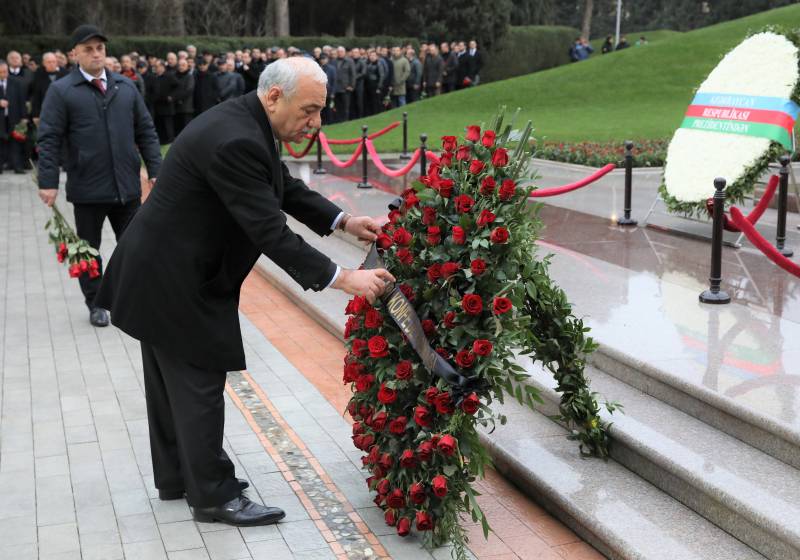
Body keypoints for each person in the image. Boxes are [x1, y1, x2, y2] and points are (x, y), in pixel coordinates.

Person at [94, 56, 394, 526]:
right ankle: (214, 496)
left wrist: (343, 221)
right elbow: (270, 231)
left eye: (320, 110)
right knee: (198, 384)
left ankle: (178, 477)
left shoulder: (246, 121)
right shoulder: (237, 138)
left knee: (172, 385)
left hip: (160, 271)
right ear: (275, 97)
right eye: (310, 110)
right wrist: (343, 278)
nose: (316, 122)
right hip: (174, 280)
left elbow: (279, 185)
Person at [36, 24, 161, 327]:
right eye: (88, 49)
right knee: (88, 251)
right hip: (88, 188)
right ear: (74, 54)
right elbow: (49, 138)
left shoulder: (125, 87)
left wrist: (156, 170)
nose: (96, 54)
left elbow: (146, 130)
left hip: (126, 187)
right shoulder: (62, 91)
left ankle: (130, 298)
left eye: (100, 48)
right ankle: (96, 303)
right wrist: (48, 182)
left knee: (135, 247)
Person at [0, 61, 28, 174]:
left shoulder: (16, 82)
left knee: (16, 141)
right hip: (1, 119)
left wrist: (24, 117)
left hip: (15, 117)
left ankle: (17, 166)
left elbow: (22, 100)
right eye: (1, 72)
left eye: (5, 71)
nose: (4, 74)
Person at [30, 52, 68, 125]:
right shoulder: (38, 74)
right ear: (44, 63)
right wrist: (35, 114)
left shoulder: (65, 73)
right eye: (49, 62)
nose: (52, 64)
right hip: (45, 111)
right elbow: (36, 96)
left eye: (53, 62)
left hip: (63, 111)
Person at [153, 60, 178, 144]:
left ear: (162, 67)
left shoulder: (169, 76)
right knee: (160, 125)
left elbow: (177, 87)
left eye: (157, 66)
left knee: (168, 125)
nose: (156, 68)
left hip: (167, 105)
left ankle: (170, 141)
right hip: (157, 105)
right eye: (155, 67)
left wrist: (171, 96)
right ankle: (162, 141)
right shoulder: (154, 76)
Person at [172, 58, 195, 136]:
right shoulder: (174, 76)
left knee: (186, 130)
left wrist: (178, 98)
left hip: (186, 108)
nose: (181, 67)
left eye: (183, 65)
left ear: (187, 66)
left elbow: (189, 90)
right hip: (175, 107)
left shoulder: (189, 76)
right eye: (179, 65)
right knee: (177, 130)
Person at [333, 46, 355, 122]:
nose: (340, 53)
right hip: (336, 88)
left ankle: (345, 120)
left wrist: (351, 85)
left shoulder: (350, 61)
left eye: (341, 52)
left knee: (346, 106)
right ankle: (339, 120)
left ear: (344, 52)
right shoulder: (333, 61)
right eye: (338, 52)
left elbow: (353, 74)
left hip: (346, 88)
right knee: (337, 106)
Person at [364, 49, 385, 116]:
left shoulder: (379, 64)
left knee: (377, 101)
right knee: (372, 101)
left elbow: (382, 76)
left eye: (373, 55)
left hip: (376, 85)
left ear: (376, 56)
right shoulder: (369, 64)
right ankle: (373, 114)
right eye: (371, 55)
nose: (372, 57)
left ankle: (379, 114)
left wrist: (379, 87)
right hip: (370, 86)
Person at [319, 53, 336, 125]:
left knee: (330, 108)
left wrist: (333, 93)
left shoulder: (332, 68)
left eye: (324, 59)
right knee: (322, 109)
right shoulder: (318, 68)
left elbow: (334, 81)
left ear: (327, 59)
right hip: (321, 93)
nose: (322, 60)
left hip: (329, 92)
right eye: (321, 59)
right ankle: (323, 122)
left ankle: (330, 122)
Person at [351, 47, 366, 119]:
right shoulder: (350, 61)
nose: (354, 54)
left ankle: (360, 116)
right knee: (352, 101)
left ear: (359, 53)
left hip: (359, 84)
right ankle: (354, 117)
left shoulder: (362, 62)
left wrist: (354, 77)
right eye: (353, 52)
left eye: (356, 52)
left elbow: (363, 73)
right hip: (351, 84)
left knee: (359, 101)